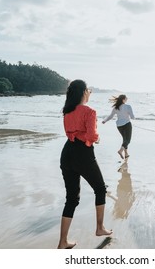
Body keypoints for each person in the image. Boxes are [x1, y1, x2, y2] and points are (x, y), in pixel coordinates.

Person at [57, 79, 112, 249]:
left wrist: (85, 136)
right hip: (83, 155)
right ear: (83, 92)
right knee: (100, 189)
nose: (89, 92)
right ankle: (100, 228)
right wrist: (96, 138)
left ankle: (62, 242)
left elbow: (70, 133)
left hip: (67, 153)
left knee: (71, 198)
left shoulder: (67, 111)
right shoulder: (89, 111)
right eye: (88, 90)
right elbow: (91, 136)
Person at [102, 94, 135, 159]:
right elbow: (132, 116)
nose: (127, 99)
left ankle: (126, 154)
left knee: (125, 139)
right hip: (127, 124)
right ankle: (121, 150)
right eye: (126, 98)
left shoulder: (116, 107)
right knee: (128, 140)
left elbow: (110, 116)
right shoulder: (128, 106)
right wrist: (133, 117)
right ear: (123, 99)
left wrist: (104, 121)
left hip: (119, 126)